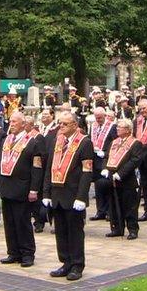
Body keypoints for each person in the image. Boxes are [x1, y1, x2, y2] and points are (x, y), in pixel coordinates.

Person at [42, 112, 94, 281]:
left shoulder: (84, 143)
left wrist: (81, 196)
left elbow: (87, 171)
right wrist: (46, 192)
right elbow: (49, 167)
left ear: (74, 125)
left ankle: (77, 265)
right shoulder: (57, 141)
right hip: (57, 194)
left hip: (73, 194)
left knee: (75, 232)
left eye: (64, 124)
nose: (61, 126)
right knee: (61, 232)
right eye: (60, 123)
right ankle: (65, 262)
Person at [0, 112, 44, 267]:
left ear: (23, 124)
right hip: (7, 187)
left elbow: (37, 168)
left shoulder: (32, 142)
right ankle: (13, 252)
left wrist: (34, 189)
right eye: (10, 121)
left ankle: (27, 253)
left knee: (22, 222)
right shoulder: (6, 140)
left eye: (15, 121)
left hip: (22, 188)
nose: (12, 124)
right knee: (9, 222)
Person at [103, 118, 143, 239]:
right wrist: (105, 168)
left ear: (128, 130)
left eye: (120, 127)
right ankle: (117, 228)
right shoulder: (114, 142)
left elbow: (134, 160)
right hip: (112, 177)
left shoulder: (135, 143)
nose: (117, 129)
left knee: (129, 206)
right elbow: (106, 156)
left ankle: (132, 229)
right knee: (114, 204)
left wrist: (121, 173)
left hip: (127, 179)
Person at [32, 109, 59, 233]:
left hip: (51, 165)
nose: (44, 116)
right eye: (42, 114)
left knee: (51, 194)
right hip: (38, 166)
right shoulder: (38, 129)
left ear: (52, 116)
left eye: (47, 114)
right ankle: (39, 221)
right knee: (37, 195)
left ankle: (55, 221)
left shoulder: (57, 129)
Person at [88, 107, 117, 221]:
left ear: (105, 116)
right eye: (96, 117)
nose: (98, 119)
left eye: (100, 117)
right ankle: (101, 211)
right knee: (98, 187)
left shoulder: (112, 127)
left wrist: (105, 153)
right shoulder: (93, 126)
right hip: (95, 160)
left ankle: (110, 211)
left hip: (106, 160)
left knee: (107, 186)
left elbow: (115, 144)